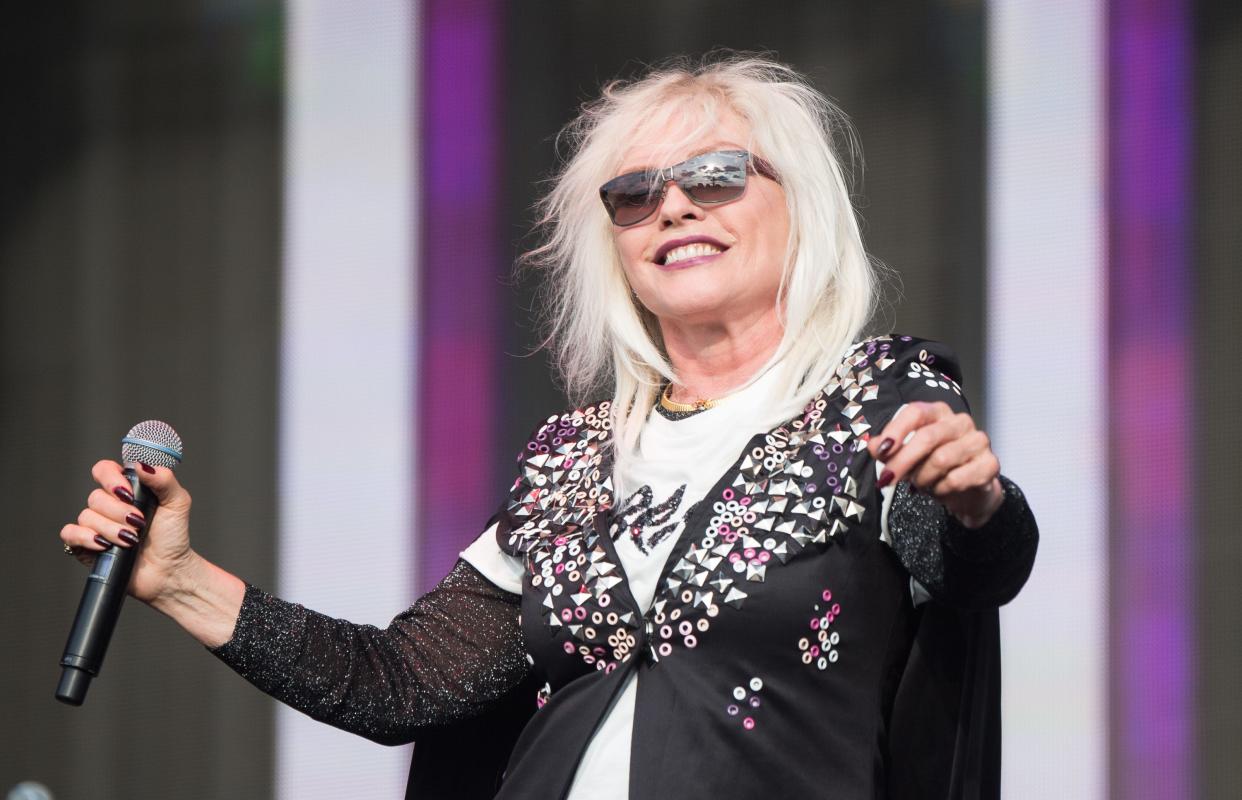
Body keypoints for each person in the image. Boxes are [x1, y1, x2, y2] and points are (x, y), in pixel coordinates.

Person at [60, 55, 1037, 799]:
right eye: (635, 193)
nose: (675, 206)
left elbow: (969, 564)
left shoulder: (873, 390)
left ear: (802, 203)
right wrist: (178, 577)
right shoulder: (573, 460)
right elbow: (403, 682)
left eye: (719, 172)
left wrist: (977, 501)